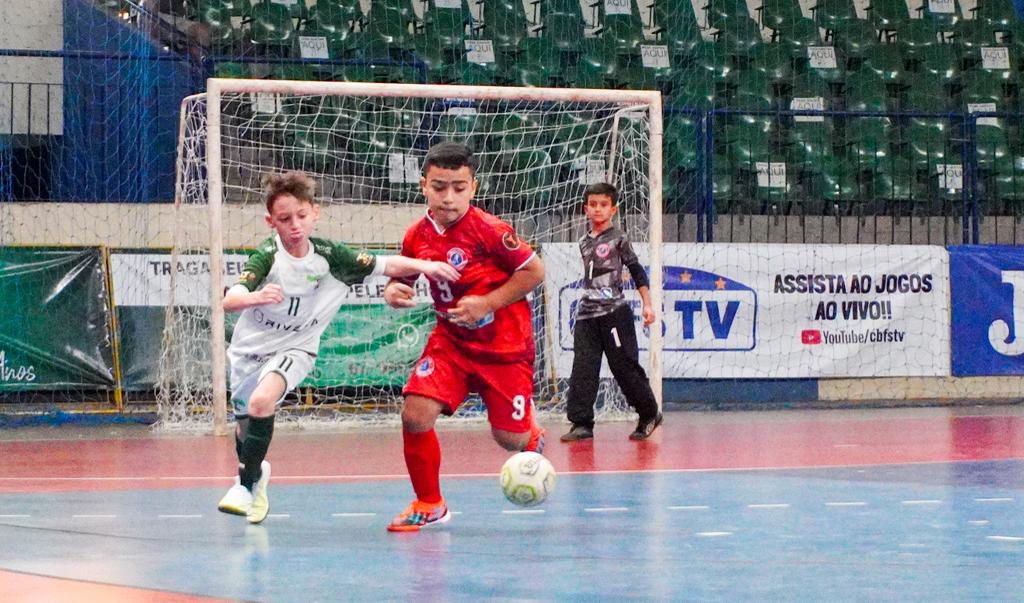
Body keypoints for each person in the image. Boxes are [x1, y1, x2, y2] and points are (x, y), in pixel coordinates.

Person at [217, 171, 461, 524]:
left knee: (261, 401)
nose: (295, 226)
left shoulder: (332, 257)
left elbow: (386, 264)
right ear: (271, 222)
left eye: (302, 216)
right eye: (285, 219)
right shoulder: (268, 256)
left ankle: (242, 486)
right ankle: (255, 478)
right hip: (247, 353)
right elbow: (232, 299)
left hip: (296, 349)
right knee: (245, 429)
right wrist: (255, 296)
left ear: (315, 213)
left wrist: (428, 266)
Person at [382, 142, 546, 532]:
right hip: (450, 343)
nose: (449, 197)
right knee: (415, 414)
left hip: (503, 348)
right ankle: (430, 503)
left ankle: (530, 432)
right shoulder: (416, 236)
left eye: (459, 187)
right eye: (440, 187)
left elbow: (534, 272)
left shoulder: (491, 231)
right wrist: (393, 290)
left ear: (473, 187)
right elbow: (401, 278)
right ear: (424, 185)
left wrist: (487, 303)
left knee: (510, 439)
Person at [560, 182, 663, 443]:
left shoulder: (619, 238)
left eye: (603, 205)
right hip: (586, 314)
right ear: (585, 209)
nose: (597, 209)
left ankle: (649, 414)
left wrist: (647, 304)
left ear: (613, 209)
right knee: (584, 366)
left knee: (623, 366)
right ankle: (581, 423)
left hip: (614, 313)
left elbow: (636, 269)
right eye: (593, 205)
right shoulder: (583, 242)